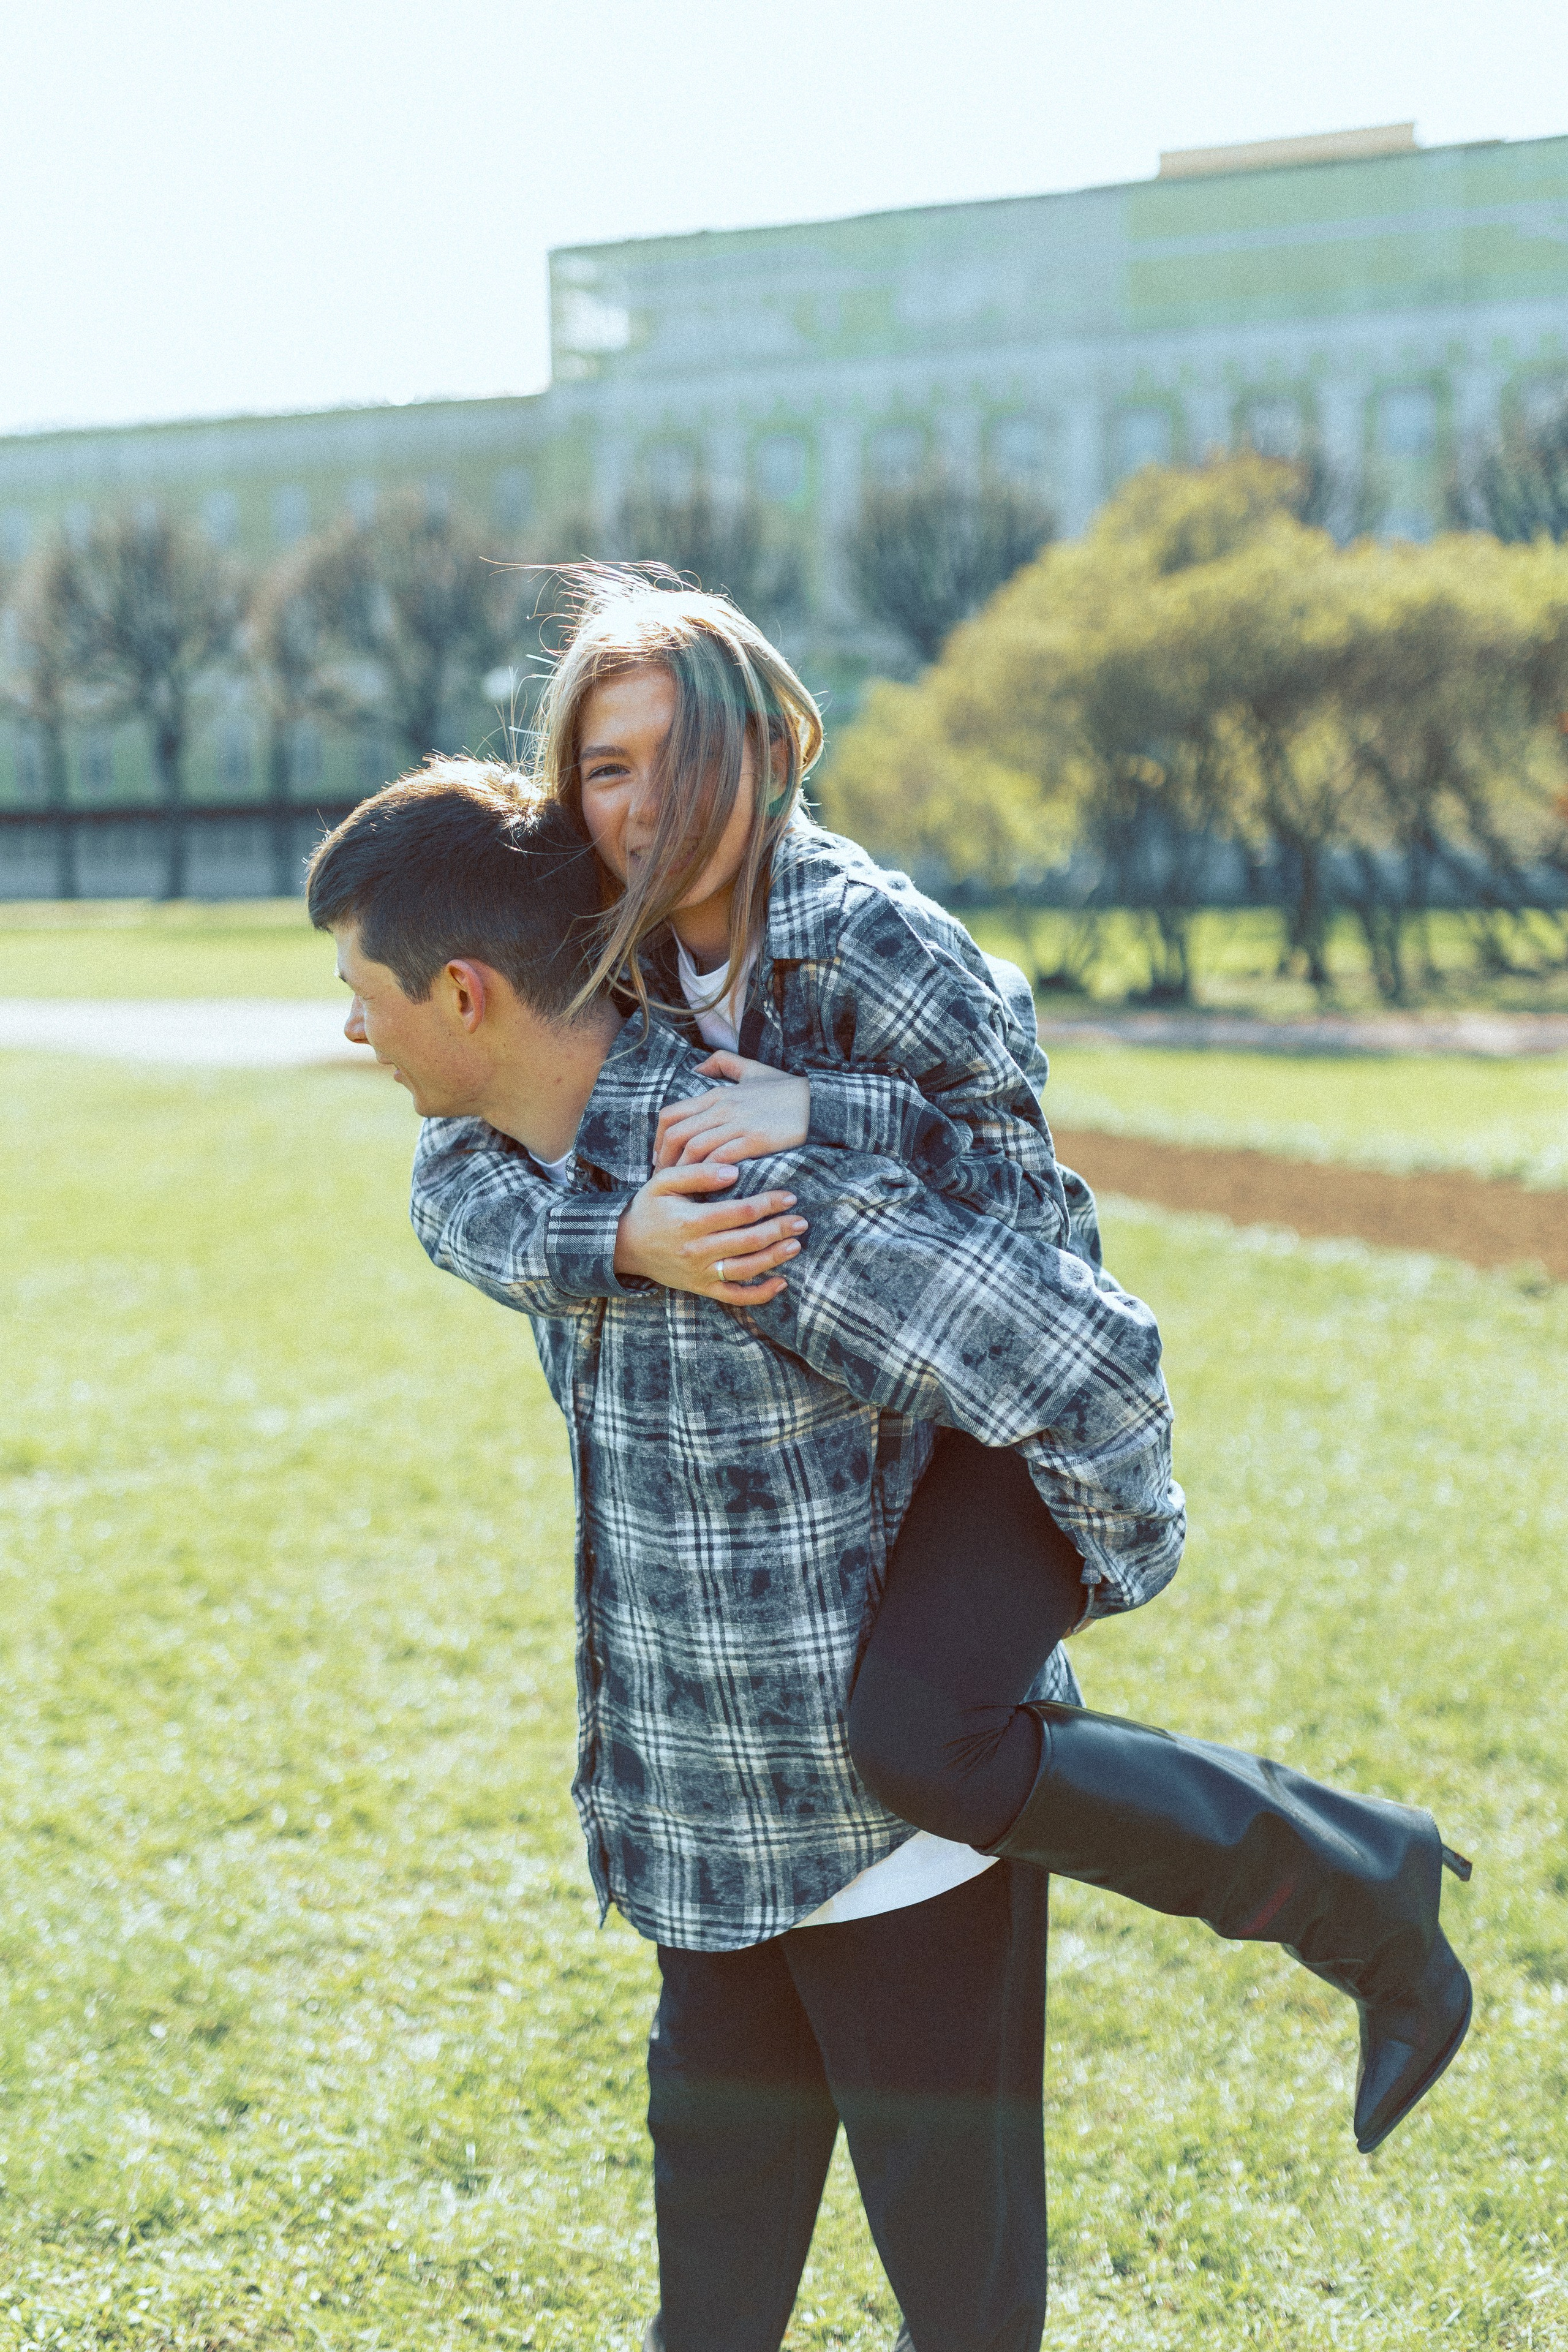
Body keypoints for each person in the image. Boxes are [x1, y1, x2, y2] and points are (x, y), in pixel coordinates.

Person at [307, 772, 1469, 2352]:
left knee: (963, 2320)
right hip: (704, 1845)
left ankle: (1353, 1882)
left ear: (464, 992)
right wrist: (613, 1244)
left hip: (895, 1846)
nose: (352, 1034)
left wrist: (1065, 1598)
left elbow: (1089, 1363)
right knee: (708, 2320)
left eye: (362, 996)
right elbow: (454, 1202)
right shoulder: (522, 1157)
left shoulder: (759, 1198)